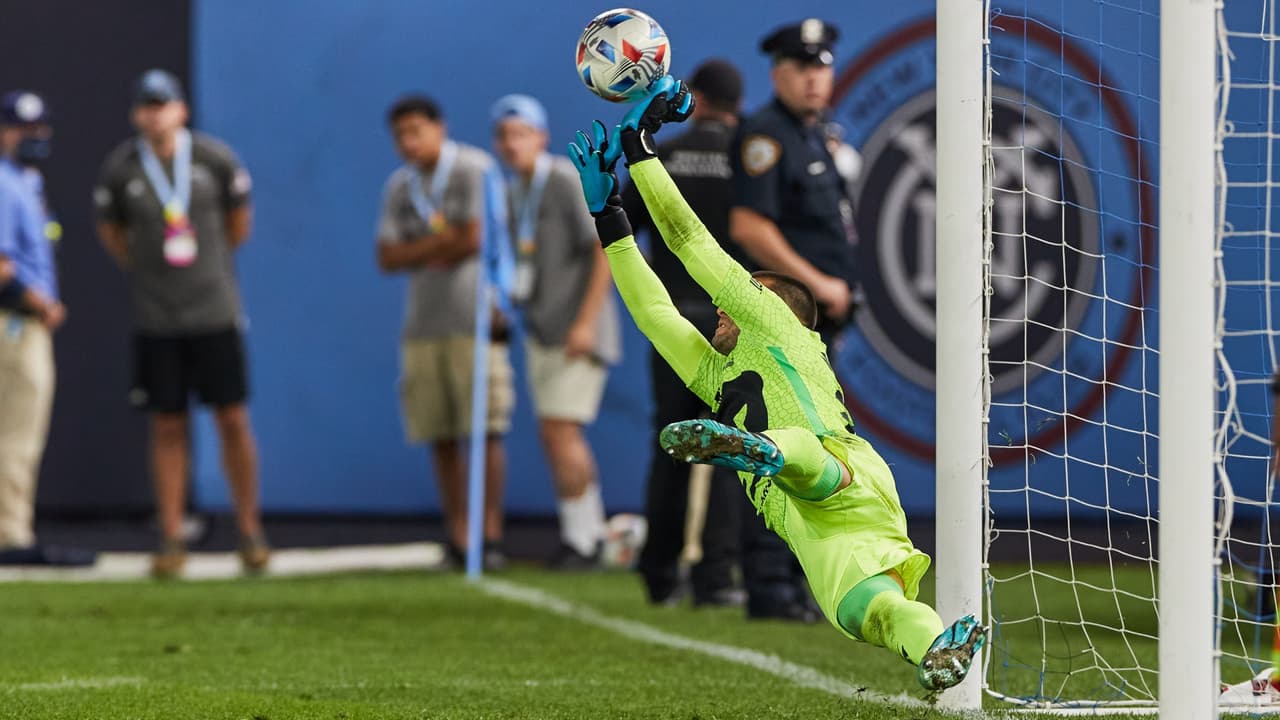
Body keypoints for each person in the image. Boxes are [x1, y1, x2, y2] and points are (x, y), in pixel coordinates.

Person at [565, 78, 986, 692]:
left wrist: (640, 150)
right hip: (817, 519)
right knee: (872, 612)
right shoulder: (717, 371)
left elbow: (689, 243)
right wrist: (609, 217)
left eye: (738, 299)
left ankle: (765, 451)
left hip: (830, 463)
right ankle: (937, 649)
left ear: (771, 305)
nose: (719, 312)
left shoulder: (778, 329)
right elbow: (655, 314)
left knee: (796, 453)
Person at [94, 70, 268, 578]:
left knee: (231, 418)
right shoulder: (121, 168)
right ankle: (172, 534)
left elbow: (239, 226)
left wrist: (208, 274)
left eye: (163, 105)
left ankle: (250, 528)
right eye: (146, 106)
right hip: (157, 317)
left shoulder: (214, 159)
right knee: (167, 422)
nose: (155, 114)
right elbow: (112, 234)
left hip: (215, 312)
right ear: (135, 115)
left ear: (181, 111)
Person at [620, 59, 747, 606]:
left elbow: (622, 224)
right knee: (732, 448)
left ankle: (658, 573)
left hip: (673, 317)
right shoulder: (749, 156)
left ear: (694, 95)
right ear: (737, 103)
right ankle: (715, 578)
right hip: (735, 320)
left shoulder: (663, 155)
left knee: (669, 445)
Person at [376, 94, 514, 570]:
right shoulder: (400, 185)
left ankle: (490, 535)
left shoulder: (473, 169)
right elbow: (387, 256)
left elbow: (477, 237)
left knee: (483, 427)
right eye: (399, 135)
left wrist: (425, 247)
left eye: (416, 130)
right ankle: (458, 535)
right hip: (424, 322)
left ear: (440, 127)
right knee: (439, 431)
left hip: (472, 318)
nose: (408, 142)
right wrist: (441, 244)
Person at [490, 94, 621, 569]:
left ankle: (582, 540)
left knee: (560, 430)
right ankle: (589, 534)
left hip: (575, 328)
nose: (511, 144)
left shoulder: (564, 180)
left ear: (541, 138)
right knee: (557, 434)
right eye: (504, 135)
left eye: (520, 133)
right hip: (541, 328)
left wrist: (586, 322)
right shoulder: (511, 192)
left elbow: (605, 249)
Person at [0, 91, 91, 567]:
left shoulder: (26, 180)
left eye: (39, 129)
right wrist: (40, 303)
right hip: (12, 322)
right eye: (21, 128)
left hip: (23, 322)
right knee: (15, 431)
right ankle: (10, 536)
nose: (33, 137)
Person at [730, 19, 857, 350]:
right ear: (776, 75)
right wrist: (818, 287)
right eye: (802, 67)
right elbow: (749, 228)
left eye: (821, 66)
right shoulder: (766, 135)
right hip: (786, 320)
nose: (813, 77)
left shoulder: (816, 132)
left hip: (819, 320)